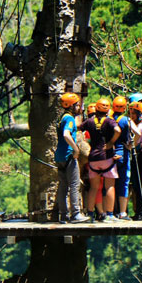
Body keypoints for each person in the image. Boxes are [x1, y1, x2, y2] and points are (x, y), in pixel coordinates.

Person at [79, 97, 121, 222]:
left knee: (94, 187)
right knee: (109, 186)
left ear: (96, 108)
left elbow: (78, 128)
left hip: (93, 158)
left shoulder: (89, 122)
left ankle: (91, 214)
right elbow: (118, 130)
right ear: (108, 110)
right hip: (106, 157)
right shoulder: (109, 121)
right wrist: (111, 142)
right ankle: (109, 215)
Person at [54, 93, 89, 223]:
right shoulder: (69, 119)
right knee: (74, 185)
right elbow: (66, 134)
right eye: (77, 105)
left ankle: (63, 215)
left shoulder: (61, 117)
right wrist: (75, 148)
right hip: (69, 155)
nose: (78, 107)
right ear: (70, 105)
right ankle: (75, 214)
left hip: (60, 156)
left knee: (63, 186)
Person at [111, 96, 131, 220]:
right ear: (124, 108)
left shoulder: (108, 119)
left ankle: (110, 212)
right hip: (123, 152)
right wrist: (130, 146)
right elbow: (137, 133)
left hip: (110, 154)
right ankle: (122, 212)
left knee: (109, 183)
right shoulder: (125, 120)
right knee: (123, 182)